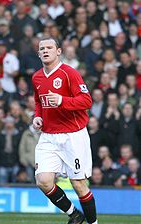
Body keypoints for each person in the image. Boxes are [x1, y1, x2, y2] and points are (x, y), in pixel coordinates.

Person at [32, 37, 97, 224]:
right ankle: (74, 214)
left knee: (78, 184)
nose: (45, 51)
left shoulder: (70, 74)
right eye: (42, 48)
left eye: (49, 47)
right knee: (43, 180)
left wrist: (62, 101)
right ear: (38, 53)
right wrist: (38, 116)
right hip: (48, 136)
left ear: (58, 51)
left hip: (73, 136)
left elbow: (86, 101)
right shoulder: (36, 77)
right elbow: (39, 101)